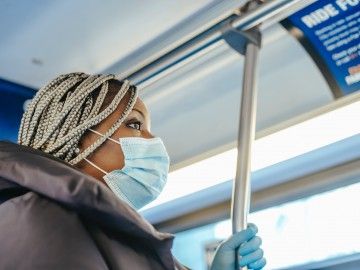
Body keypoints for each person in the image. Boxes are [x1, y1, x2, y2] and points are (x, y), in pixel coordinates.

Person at [0, 72, 266, 270]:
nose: (152, 140)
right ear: (80, 137)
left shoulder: (110, 231)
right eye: (135, 125)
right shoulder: (42, 218)